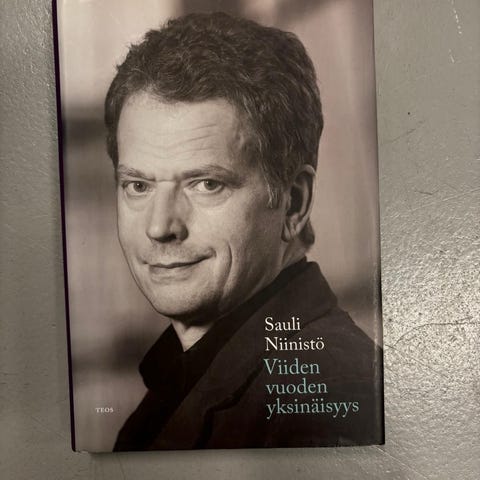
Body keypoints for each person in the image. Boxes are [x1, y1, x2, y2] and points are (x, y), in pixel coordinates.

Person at [104, 12, 383, 451]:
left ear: (293, 202)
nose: (160, 227)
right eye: (138, 186)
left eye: (206, 184)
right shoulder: (174, 386)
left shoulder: (327, 400)